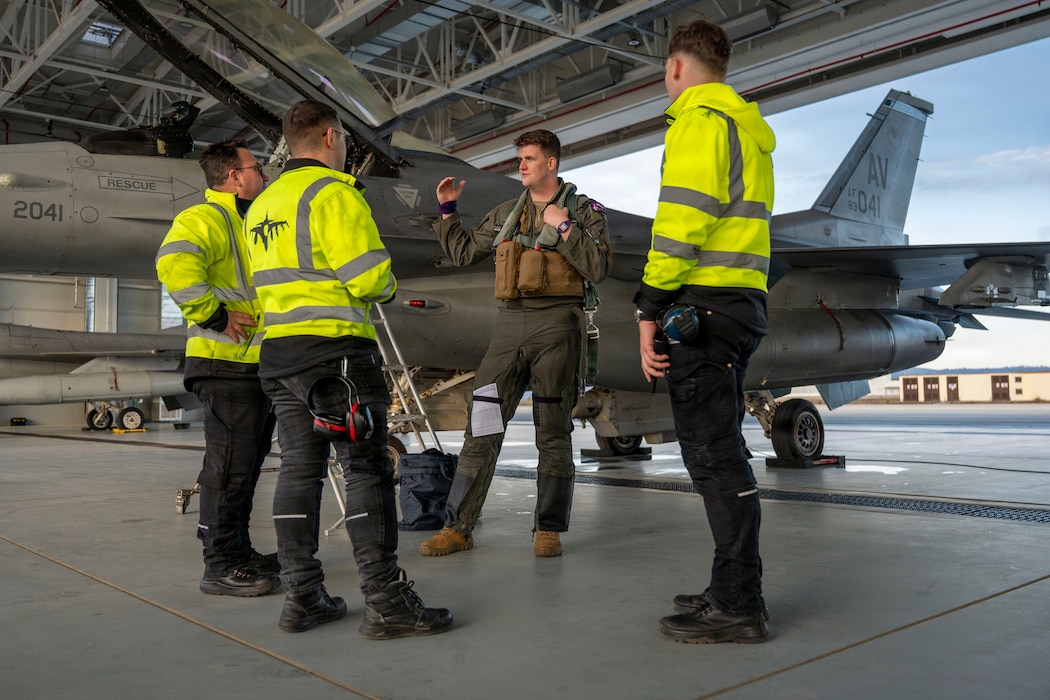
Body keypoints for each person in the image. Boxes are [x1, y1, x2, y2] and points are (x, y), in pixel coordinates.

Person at [243, 99, 452, 637]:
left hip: (280, 353)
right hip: (335, 354)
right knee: (365, 470)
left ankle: (302, 596)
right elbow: (370, 280)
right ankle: (386, 601)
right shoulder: (334, 194)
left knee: (298, 472)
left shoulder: (264, 204)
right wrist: (384, 276)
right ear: (332, 138)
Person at [634, 20, 775, 644]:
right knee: (722, 454)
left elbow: (682, 223)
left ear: (674, 68)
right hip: (740, 303)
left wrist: (647, 306)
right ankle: (729, 586)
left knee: (714, 460)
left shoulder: (696, 121)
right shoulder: (746, 129)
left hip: (707, 310)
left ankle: (739, 603)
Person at [419, 129, 612, 559]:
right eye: (520, 158)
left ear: (551, 163)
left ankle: (548, 529)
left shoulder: (584, 211)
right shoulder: (507, 213)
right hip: (508, 330)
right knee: (482, 426)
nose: (522, 165)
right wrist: (447, 210)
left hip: (558, 330)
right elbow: (465, 253)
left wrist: (562, 226)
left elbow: (598, 266)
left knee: (553, 433)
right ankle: (458, 528)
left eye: (530, 158)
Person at [156, 139, 280, 597]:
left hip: (251, 365)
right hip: (223, 363)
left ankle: (238, 550)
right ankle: (220, 564)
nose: (263, 176)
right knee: (228, 468)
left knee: (244, 467)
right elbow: (173, 265)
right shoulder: (205, 218)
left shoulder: (245, 224)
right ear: (233, 177)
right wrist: (215, 316)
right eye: (256, 169)